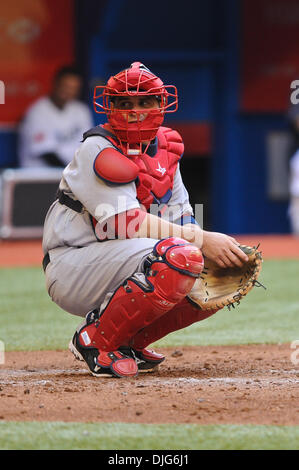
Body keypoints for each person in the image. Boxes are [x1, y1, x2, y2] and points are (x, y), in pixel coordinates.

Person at [42, 62, 248, 378]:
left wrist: (203, 240)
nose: (134, 110)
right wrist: (204, 240)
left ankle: (129, 341)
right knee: (182, 256)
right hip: (73, 265)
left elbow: (183, 215)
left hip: (120, 258)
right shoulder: (97, 148)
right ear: (109, 107)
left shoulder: (166, 146)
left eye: (144, 101)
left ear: (161, 104)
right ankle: (95, 341)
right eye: (124, 103)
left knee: (224, 269)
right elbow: (126, 223)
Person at [18, 65, 93, 168]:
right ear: (56, 84)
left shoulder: (81, 110)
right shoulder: (37, 111)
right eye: (66, 86)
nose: (68, 91)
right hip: (39, 176)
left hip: (70, 174)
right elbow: (46, 153)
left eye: (73, 88)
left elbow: (87, 146)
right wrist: (71, 171)